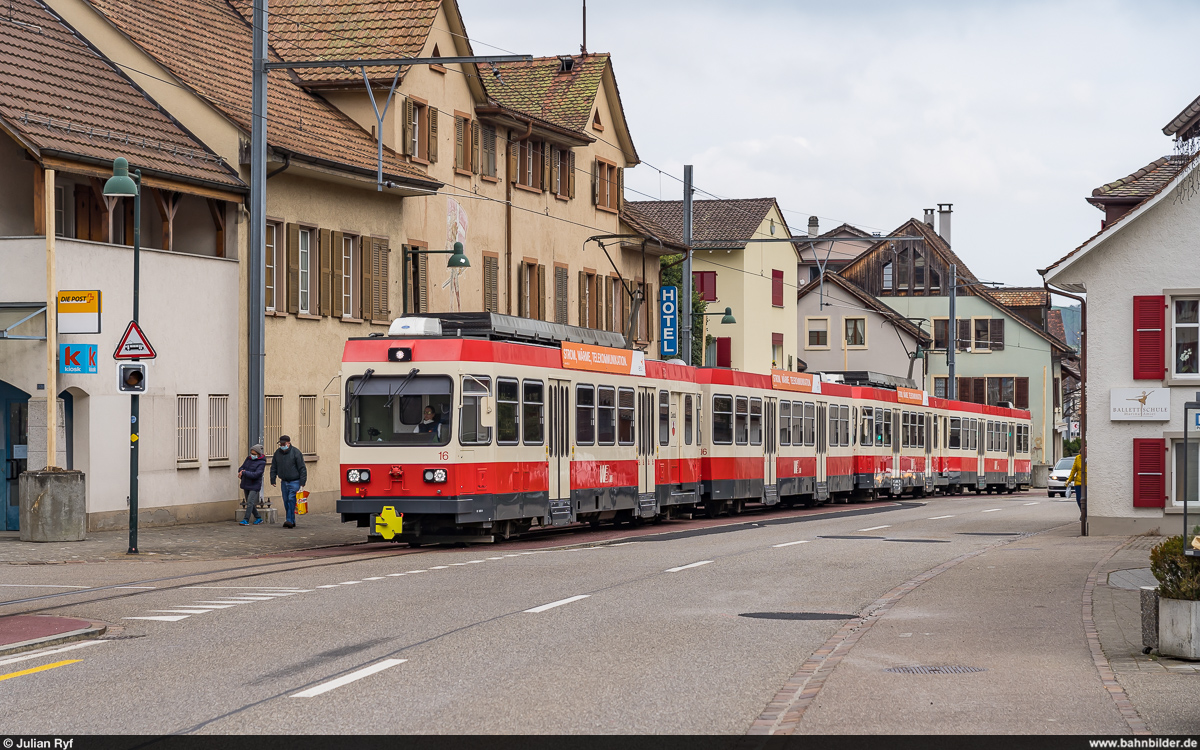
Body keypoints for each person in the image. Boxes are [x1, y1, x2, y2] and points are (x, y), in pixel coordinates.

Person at [270, 435, 307, 528]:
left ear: (288, 443)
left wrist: (302, 483)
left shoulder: (296, 452)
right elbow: (273, 467)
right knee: (286, 501)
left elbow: (302, 468)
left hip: (295, 481)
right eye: (281, 444)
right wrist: (272, 479)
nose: (282, 445)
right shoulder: (277, 453)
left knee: (291, 500)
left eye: (283, 444)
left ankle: (289, 520)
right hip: (284, 481)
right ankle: (292, 520)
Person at [237, 444, 266, 526]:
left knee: (250, 502)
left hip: (254, 485)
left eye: (254, 454)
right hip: (246, 483)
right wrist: (241, 471)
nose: (252, 455)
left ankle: (246, 519)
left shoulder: (262, 463)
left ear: (258, 454)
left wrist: (244, 472)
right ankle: (258, 517)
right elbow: (242, 467)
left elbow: (256, 474)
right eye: (251, 453)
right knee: (250, 502)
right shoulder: (248, 459)